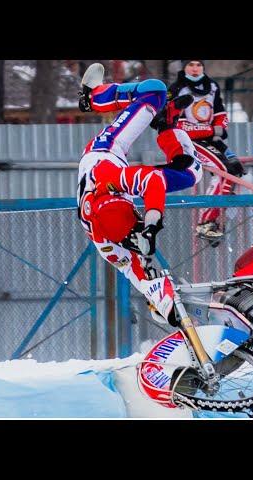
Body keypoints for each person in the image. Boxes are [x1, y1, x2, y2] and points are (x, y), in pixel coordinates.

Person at [77, 63, 203, 325]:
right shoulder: (107, 243)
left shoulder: (109, 182)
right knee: (193, 171)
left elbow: (153, 180)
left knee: (154, 90)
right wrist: (168, 307)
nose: (137, 214)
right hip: (106, 197)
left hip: (107, 151)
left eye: (135, 218)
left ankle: (92, 97)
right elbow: (142, 279)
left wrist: (152, 223)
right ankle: (166, 124)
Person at [167, 60, 246, 242]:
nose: (195, 69)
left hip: (211, 140)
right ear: (184, 67)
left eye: (198, 64)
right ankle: (205, 221)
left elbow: (220, 113)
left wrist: (217, 129)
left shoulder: (212, 86)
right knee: (225, 171)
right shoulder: (177, 88)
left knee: (235, 170)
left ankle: (214, 220)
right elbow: (175, 124)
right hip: (186, 141)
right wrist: (211, 130)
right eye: (190, 64)